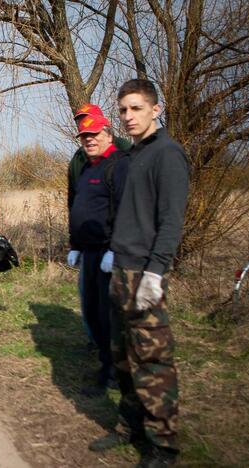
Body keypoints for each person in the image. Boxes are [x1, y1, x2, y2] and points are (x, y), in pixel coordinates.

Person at [89, 79, 189, 468]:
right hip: (121, 268)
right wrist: (113, 251)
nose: (128, 117)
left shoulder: (168, 154)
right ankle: (128, 428)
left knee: (153, 362)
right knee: (123, 357)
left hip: (145, 273)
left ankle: (163, 446)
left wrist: (156, 273)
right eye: (123, 110)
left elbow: (170, 221)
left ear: (155, 109)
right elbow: (125, 213)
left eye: (136, 108)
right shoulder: (134, 155)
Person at [68, 112, 130, 397]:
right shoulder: (88, 168)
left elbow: (124, 210)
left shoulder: (118, 165)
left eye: (93, 135)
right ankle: (106, 365)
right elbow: (78, 208)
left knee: (108, 316)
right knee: (92, 312)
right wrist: (75, 245)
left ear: (108, 133)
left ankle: (114, 372)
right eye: (84, 137)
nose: (89, 140)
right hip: (89, 252)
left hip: (109, 254)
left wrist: (115, 248)